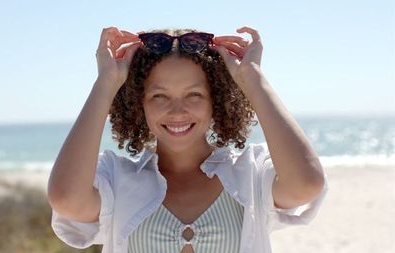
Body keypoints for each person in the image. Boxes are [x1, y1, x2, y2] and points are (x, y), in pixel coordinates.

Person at [47, 26, 328, 253]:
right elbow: (66, 199)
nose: (177, 111)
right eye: (159, 96)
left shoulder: (251, 174)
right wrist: (106, 83)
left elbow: (306, 184)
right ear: (138, 103)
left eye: (194, 95)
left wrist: (252, 78)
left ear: (215, 101)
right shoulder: (117, 181)